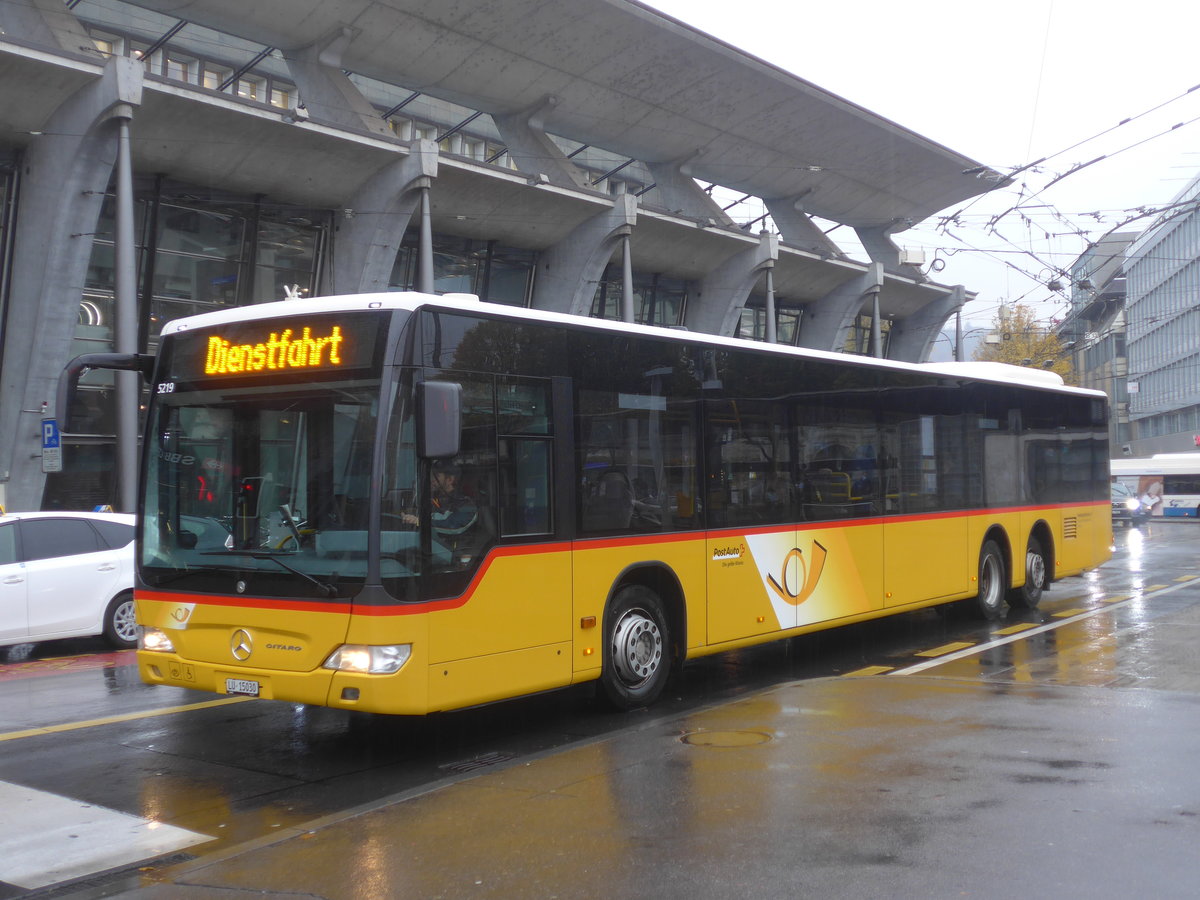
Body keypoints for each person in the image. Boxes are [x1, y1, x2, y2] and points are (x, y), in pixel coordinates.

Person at [402, 461, 477, 537]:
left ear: (450, 480)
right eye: (431, 475)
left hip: (451, 547)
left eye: (436, 476)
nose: (431, 479)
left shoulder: (465, 503)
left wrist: (419, 521)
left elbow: (454, 526)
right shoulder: (432, 498)